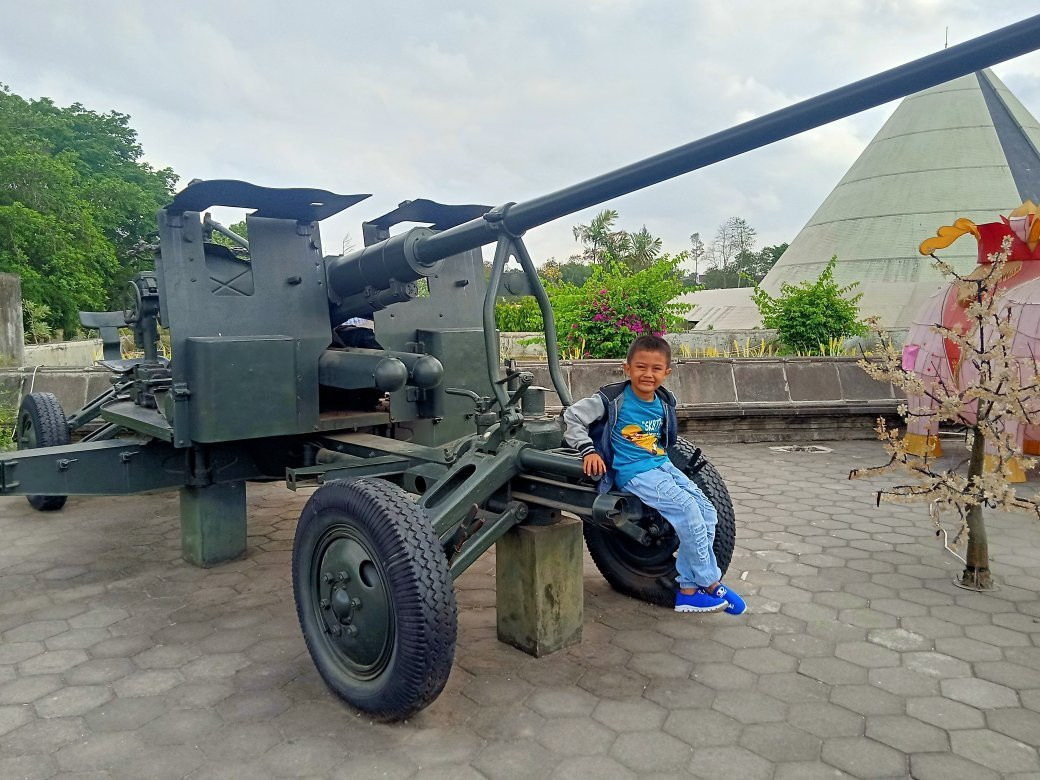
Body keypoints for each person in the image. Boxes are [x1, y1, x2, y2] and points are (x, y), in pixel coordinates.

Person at [562, 334, 745, 615]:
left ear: (666, 373)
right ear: (627, 368)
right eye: (641, 367)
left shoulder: (663, 401)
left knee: (707, 511)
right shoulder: (613, 398)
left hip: (661, 466)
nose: (648, 374)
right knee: (687, 511)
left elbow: (664, 441)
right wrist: (588, 450)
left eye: (656, 369)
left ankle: (687, 590)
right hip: (634, 472)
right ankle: (709, 583)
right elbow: (573, 416)